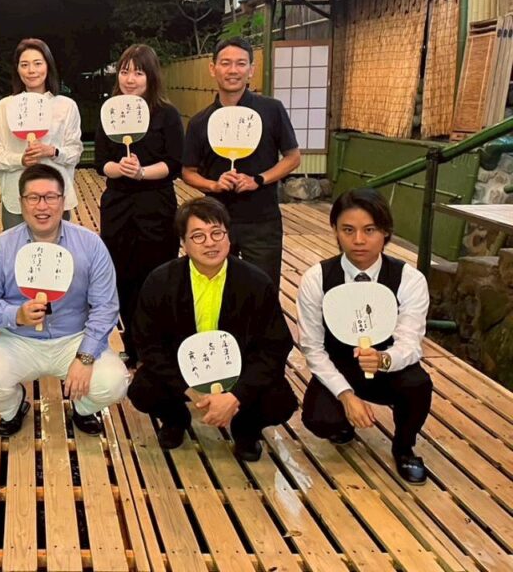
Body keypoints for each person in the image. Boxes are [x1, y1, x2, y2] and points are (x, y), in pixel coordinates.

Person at [127, 198, 296, 458]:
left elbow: (275, 346)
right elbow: (147, 343)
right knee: (143, 390)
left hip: (239, 374)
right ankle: (176, 420)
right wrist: (188, 390)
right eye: (198, 236)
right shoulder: (161, 281)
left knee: (280, 400)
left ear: (229, 236)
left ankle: (246, 429)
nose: (210, 242)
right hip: (183, 373)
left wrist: (236, 395)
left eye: (217, 233)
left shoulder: (256, 281)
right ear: (183, 243)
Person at [0, 164, 129, 436]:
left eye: (50, 197)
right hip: (18, 339)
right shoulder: (0, 247)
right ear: (21, 202)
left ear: (63, 201)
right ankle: (14, 407)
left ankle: (83, 408)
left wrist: (86, 356)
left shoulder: (90, 244)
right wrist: (15, 314)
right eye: (33, 197)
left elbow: (106, 306)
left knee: (115, 382)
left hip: (74, 337)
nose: (42, 206)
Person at [298, 188, 432, 484]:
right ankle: (343, 423)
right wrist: (346, 396)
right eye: (348, 230)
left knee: (418, 384)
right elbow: (312, 348)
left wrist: (384, 359)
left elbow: (410, 343)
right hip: (340, 365)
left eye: (369, 230)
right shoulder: (317, 278)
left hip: (387, 366)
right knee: (318, 419)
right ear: (335, 230)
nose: (358, 240)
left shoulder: (409, 279)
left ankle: (404, 447)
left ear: (385, 231)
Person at [182, 37, 301, 284]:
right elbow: (188, 171)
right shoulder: (200, 121)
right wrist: (214, 185)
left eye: (241, 63)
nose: (233, 70)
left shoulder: (272, 109)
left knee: (264, 287)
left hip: (262, 219)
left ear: (251, 69)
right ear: (213, 68)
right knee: (217, 287)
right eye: (225, 63)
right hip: (215, 223)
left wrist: (259, 179)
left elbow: (292, 158)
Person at [95, 44, 184, 366]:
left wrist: (142, 172)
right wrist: (119, 169)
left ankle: (159, 349)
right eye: (125, 71)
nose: (130, 79)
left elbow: (174, 164)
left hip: (156, 205)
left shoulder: (167, 114)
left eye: (138, 72)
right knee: (122, 277)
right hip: (118, 206)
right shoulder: (109, 112)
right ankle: (132, 346)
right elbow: (101, 162)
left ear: (151, 76)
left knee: (157, 276)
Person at [0, 38, 83, 230]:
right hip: (16, 198)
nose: (31, 70)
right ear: (17, 69)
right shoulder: (5, 107)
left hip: (56, 197)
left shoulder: (66, 106)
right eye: (24, 65)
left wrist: (52, 151)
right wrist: (20, 159)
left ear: (48, 66)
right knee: (17, 248)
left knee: (56, 247)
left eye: (38, 63)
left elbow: (75, 152)